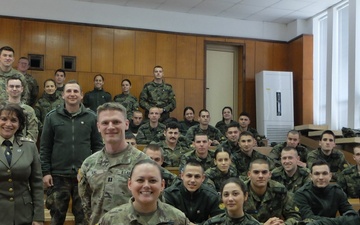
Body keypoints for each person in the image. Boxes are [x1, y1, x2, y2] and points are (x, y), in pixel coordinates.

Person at [40, 80, 104, 225]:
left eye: (76, 91)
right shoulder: (52, 117)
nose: (72, 94)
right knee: (56, 217)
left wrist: (95, 171)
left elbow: (98, 146)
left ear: (81, 95)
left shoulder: (91, 117)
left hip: (84, 176)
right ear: (62, 95)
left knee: (84, 218)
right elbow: (45, 147)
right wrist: (46, 172)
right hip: (58, 176)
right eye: (69, 91)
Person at [78, 102, 148, 225]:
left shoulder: (143, 163)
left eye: (116, 122)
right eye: (105, 123)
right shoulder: (89, 164)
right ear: (98, 127)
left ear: (126, 124)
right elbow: (86, 205)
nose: (110, 127)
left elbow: (153, 204)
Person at [97, 159, 191, 225]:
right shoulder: (111, 219)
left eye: (152, 181)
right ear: (130, 184)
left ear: (162, 185)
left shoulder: (177, 219)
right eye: (140, 180)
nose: (146, 186)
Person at [0, 102, 44, 225]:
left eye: (14, 120)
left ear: (19, 124)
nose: (8, 124)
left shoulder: (29, 147)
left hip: (23, 214)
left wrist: (38, 217)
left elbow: (37, 184)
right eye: (3, 119)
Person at [164, 159, 224, 224]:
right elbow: (168, 221)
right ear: (182, 176)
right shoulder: (170, 194)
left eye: (197, 176)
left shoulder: (211, 195)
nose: (192, 180)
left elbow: (219, 220)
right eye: (189, 176)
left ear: (203, 178)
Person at [244, 159, 301, 225]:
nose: (260, 176)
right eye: (256, 172)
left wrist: (284, 224)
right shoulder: (240, 191)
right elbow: (233, 220)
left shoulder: (279, 190)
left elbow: (295, 216)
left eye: (264, 172)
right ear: (249, 174)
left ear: (270, 175)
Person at [6, 74, 39, 141]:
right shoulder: (1, 108)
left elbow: (33, 133)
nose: (14, 89)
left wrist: (24, 146)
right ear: (7, 89)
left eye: (17, 86)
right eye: (11, 86)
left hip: (22, 147)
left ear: (22, 89)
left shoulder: (29, 110)